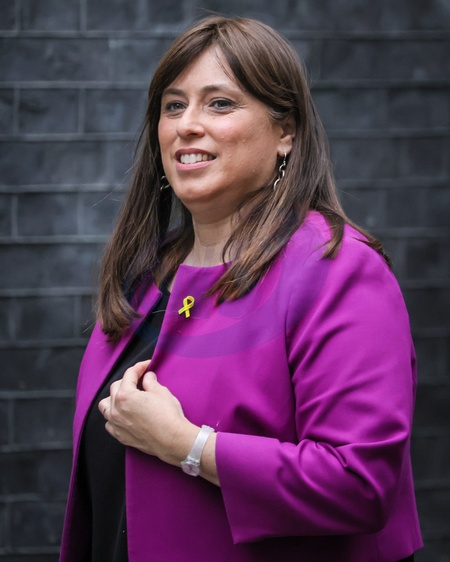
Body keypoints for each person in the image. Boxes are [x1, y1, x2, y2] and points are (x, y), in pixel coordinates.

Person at [59, 15, 423, 562]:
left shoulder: (338, 268)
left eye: (220, 104)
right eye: (173, 106)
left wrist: (188, 446)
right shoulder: (146, 272)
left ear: (286, 133)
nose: (187, 125)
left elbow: (359, 483)